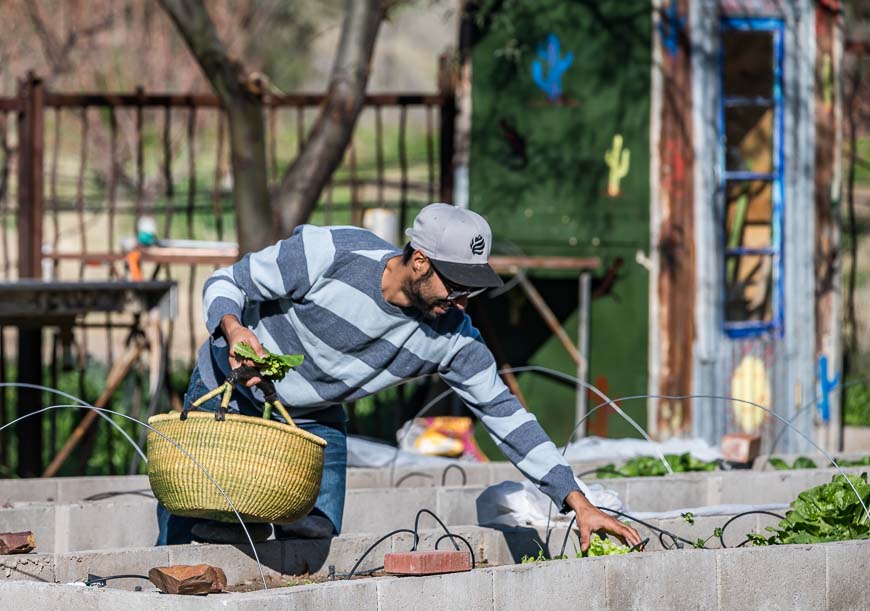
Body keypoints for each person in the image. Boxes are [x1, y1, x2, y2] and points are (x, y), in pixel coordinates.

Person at [156, 203, 641, 551]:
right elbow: (227, 281)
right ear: (420, 260)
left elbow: (507, 417)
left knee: (311, 544)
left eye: (472, 292)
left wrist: (576, 500)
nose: (461, 302)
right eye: (456, 287)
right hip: (230, 397)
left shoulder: (454, 337)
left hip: (313, 420)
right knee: (190, 530)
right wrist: (235, 328)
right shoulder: (331, 254)